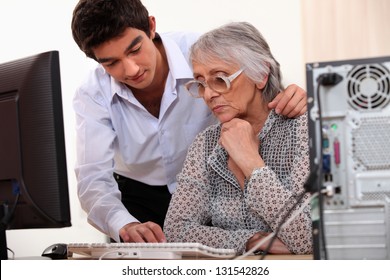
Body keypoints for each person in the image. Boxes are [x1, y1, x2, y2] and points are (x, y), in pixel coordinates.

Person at [71, 0, 308, 244]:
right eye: (111, 62)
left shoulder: (201, 53)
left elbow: (260, 81)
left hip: (209, 190)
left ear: (151, 27)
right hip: (138, 196)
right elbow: (93, 177)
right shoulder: (93, 94)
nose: (131, 70)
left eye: (134, 50)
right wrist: (124, 223)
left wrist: (294, 97)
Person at [164, 22, 312, 255]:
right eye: (200, 83)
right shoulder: (206, 144)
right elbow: (176, 232)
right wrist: (250, 240)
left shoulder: (303, 130)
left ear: (261, 75)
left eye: (220, 79)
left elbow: (306, 238)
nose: (209, 94)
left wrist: (251, 163)